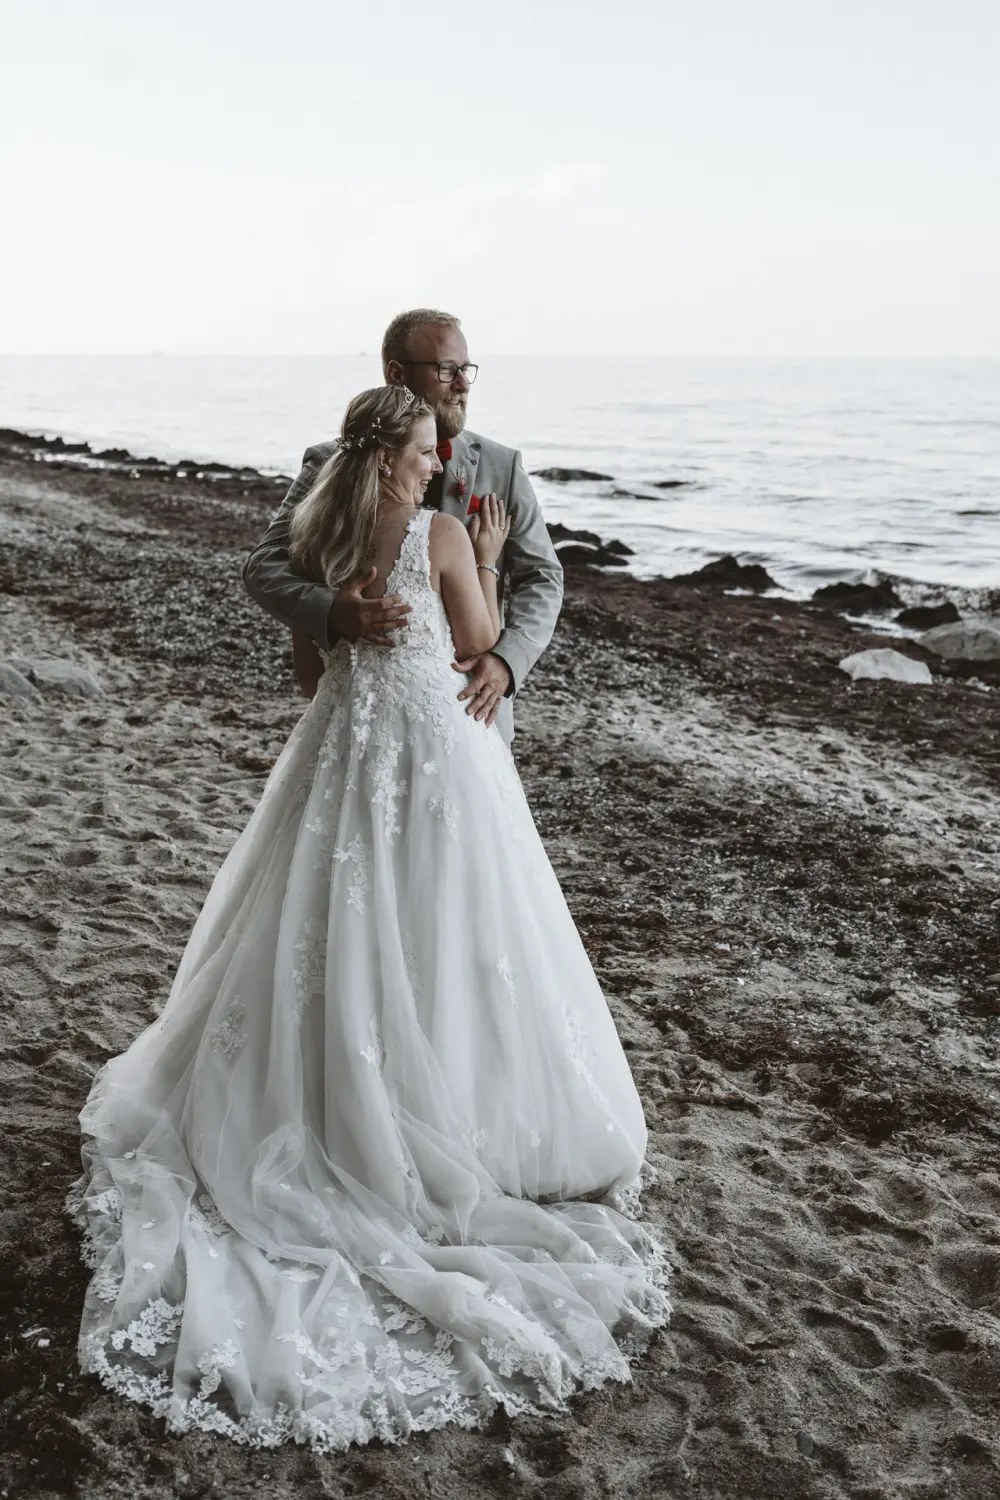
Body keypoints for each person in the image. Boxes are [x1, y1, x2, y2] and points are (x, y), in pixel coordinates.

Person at [69, 385, 668, 1455]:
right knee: (447, 929)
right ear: (399, 452)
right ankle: (448, 1116)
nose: (443, 458)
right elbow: (476, 633)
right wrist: (478, 559)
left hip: (345, 752)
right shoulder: (439, 529)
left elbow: (310, 661)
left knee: (327, 919)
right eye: (431, 445)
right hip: (437, 758)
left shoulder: (325, 527)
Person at [242, 307, 563, 744]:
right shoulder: (327, 462)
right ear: (396, 373)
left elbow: (542, 577)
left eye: (466, 369)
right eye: (447, 369)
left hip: (473, 714)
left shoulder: (501, 466)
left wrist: (507, 661)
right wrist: (331, 610)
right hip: (361, 714)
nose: (463, 384)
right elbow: (264, 565)